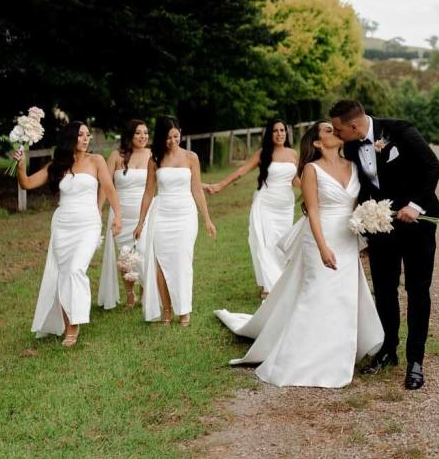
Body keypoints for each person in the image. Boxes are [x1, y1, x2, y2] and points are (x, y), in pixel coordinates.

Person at [214, 122, 383, 388]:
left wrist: (367, 223)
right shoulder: (311, 170)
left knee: (343, 296)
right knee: (316, 292)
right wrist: (323, 247)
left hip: (347, 238)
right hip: (319, 237)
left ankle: (338, 352)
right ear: (316, 143)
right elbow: (313, 211)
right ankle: (300, 357)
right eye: (328, 131)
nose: (335, 132)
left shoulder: (352, 165)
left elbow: (357, 203)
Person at [331, 100, 439, 391]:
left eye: (338, 129)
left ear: (353, 126)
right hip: (380, 226)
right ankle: (388, 349)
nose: (336, 134)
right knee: (383, 288)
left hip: (418, 224)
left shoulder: (400, 131)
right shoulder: (352, 146)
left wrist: (416, 206)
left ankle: (415, 360)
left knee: (417, 290)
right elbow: (363, 186)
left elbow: (433, 166)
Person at [17, 121, 122, 346]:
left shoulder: (97, 161)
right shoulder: (57, 165)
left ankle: (74, 325)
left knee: (75, 270)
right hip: (63, 226)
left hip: (88, 224)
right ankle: (68, 325)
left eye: (87, 135)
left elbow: (109, 188)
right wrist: (20, 164)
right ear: (70, 138)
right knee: (63, 274)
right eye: (81, 135)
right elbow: (25, 184)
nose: (85, 139)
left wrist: (118, 216)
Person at [134, 116, 216, 326]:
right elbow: (148, 193)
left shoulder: (191, 158)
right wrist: (140, 222)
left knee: (182, 261)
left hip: (185, 215)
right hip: (161, 214)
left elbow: (197, 190)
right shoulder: (155, 159)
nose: (172, 141)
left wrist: (207, 219)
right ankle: (167, 311)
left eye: (176, 136)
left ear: (180, 133)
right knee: (161, 263)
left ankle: (184, 310)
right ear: (162, 138)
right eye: (168, 137)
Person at [205, 119, 299, 296]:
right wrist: (220, 185)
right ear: (269, 134)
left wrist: (315, 190)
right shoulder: (263, 153)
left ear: (286, 133)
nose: (279, 134)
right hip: (266, 203)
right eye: (275, 131)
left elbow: (294, 180)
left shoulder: (293, 154)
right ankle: (268, 285)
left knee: (281, 243)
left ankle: (279, 280)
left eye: (282, 130)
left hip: (285, 205)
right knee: (266, 242)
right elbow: (241, 171)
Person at [98, 119, 151, 309]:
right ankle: (130, 295)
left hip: (144, 213)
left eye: (145, 133)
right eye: (138, 133)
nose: (143, 136)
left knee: (144, 252)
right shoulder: (115, 156)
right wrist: (98, 209)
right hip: (120, 213)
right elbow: (105, 185)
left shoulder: (152, 155)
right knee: (124, 255)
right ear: (130, 135)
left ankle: (146, 291)